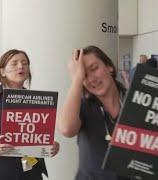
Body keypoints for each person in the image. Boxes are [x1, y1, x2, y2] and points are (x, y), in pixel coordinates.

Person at [0, 49, 60, 180]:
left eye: (24, 63)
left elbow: (38, 141)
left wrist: (49, 147)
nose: (21, 66)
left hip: (30, 174)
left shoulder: (38, 102)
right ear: (2, 71)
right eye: (14, 63)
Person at [57, 46, 131, 180]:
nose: (91, 79)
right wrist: (76, 79)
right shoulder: (83, 106)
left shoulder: (134, 102)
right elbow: (66, 129)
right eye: (84, 75)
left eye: (94, 69)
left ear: (110, 67)